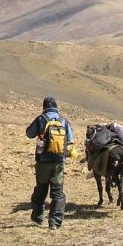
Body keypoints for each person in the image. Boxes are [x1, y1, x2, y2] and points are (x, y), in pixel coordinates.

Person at [26, 96, 75, 230]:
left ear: (44, 106)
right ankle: (54, 222)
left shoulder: (41, 119)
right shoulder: (64, 121)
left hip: (43, 162)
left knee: (41, 189)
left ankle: (38, 217)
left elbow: (29, 134)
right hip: (58, 162)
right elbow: (71, 139)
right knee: (58, 192)